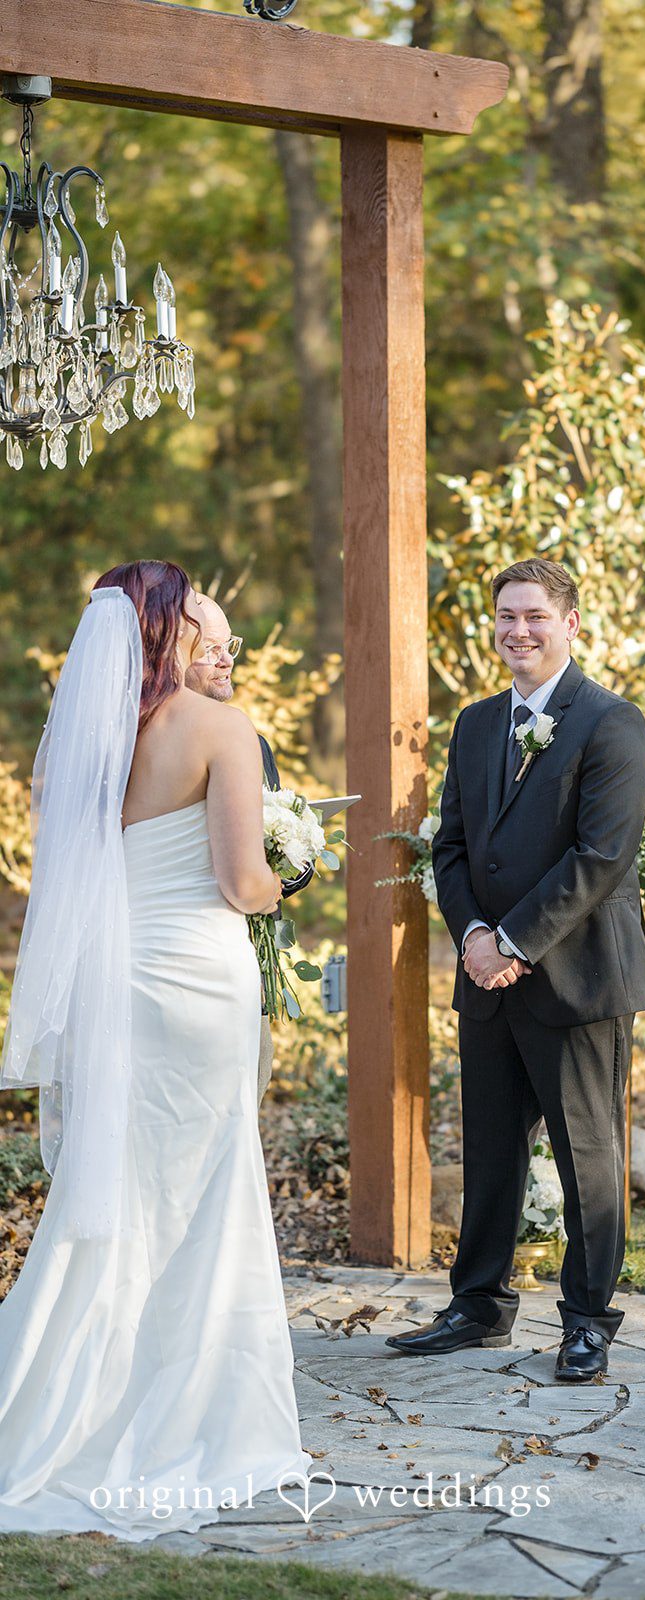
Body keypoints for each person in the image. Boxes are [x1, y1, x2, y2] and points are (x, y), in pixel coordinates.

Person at [0, 561, 311, 1541]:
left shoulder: (82, 742)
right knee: (207, 1198)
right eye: (202, 625)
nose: (214, 645)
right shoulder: (220, 728)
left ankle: (53, 1403)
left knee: (113, 1203)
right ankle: (199, 1415)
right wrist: (295, 866)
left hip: (117, 988)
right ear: (169, 630)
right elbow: (238, 880)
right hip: (198, 987)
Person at [387, 558, 645, 1382]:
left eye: (534, 615)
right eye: (505, 616)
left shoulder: (612, 723)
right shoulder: (473, 724)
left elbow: (601, 857)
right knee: (491, 1150)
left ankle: (586, 1321)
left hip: (578, 982)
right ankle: (478, 1306)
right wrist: (472, 931)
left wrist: (511, 943)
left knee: (587, 1159)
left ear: (570, 623)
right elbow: (453, 846)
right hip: (486, 977)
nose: (517, 631)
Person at [184, 591, 313, 1104]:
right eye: (210, 648)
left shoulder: (253, 744)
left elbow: (266, 848)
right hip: (198, 962)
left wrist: (293, 861)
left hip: (245, 959)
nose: (227, 659)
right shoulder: (128, 743)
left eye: (229, 644)